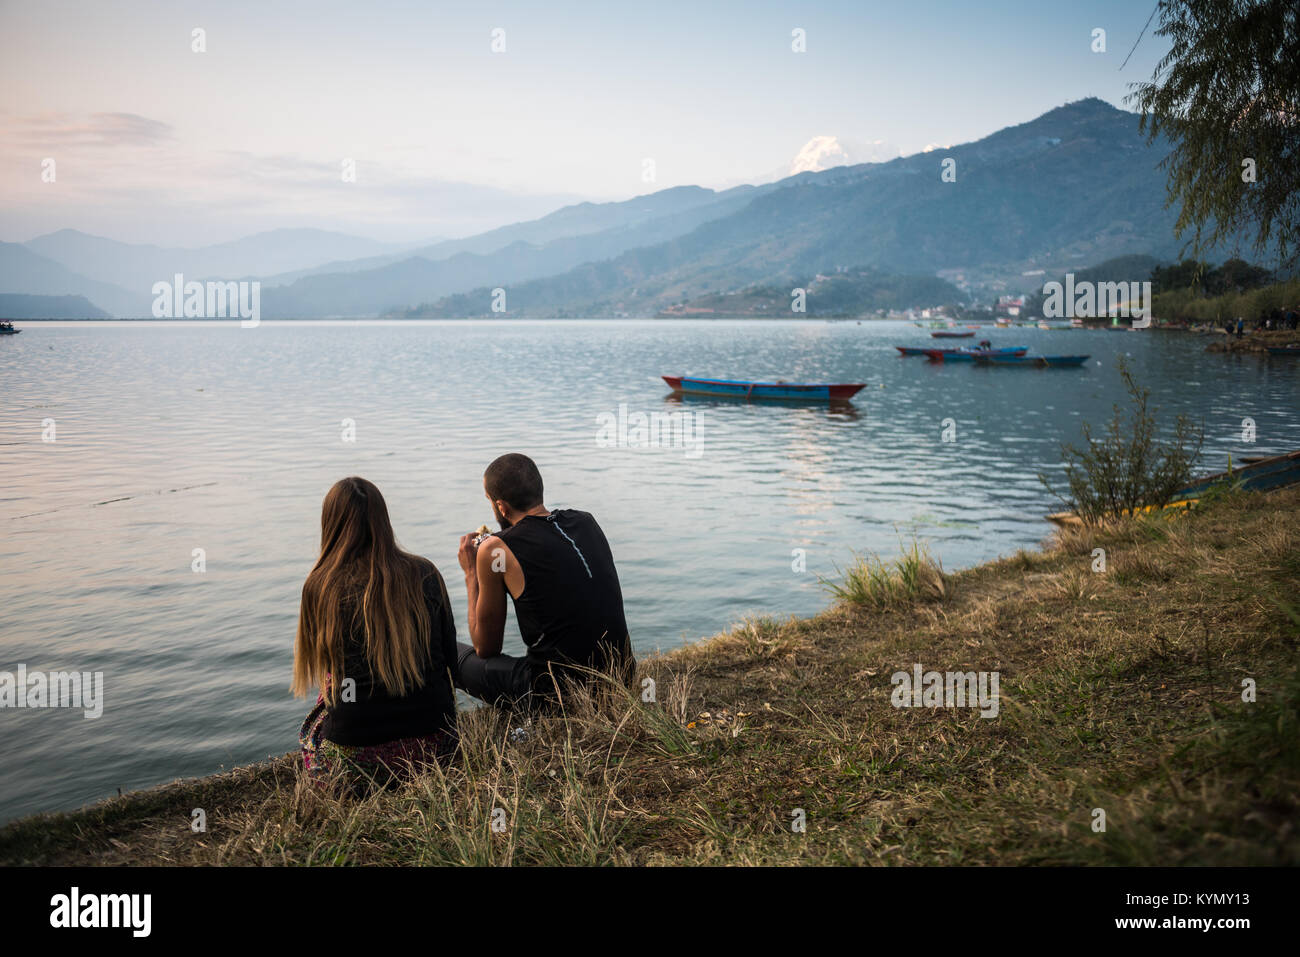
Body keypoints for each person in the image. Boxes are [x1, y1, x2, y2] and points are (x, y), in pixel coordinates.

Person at [292, 476, 458, 787]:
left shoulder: (319, 586)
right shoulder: (425, 573)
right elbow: (449, 661)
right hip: (437, 748)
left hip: (352, 761)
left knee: (331, 683)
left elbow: (325, 667)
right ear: (383, 520)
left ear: (329, 523)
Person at [455, 453, 634, 710]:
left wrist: (472, 574)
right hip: (620, 682)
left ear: (501, 507)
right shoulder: (585, 521)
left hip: (555, 696)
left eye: (490, 502)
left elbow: (486, 647)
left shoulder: (495, 548)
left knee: (448, 651)